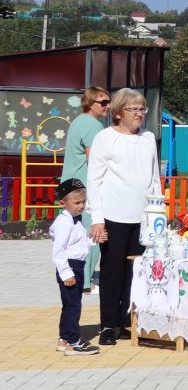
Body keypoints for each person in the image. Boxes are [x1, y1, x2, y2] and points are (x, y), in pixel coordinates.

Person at [86, 89, 161, 347]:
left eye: (142, 109)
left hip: (142, 218)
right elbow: (94, 181)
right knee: (112, 271)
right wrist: (97, 218)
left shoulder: (149, 138)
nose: (140, 114)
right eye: (134, 109)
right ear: (119, 113)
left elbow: (154, 178)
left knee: (136, 272)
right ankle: (109, 324)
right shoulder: (105, 138)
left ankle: (130, 321)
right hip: (113, 216)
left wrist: (157, 213)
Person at [60, 85, 110, 292]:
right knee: (94, 232)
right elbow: (94, 159)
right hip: (85, 186)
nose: (107, 106)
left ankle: (81, 278)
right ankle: (86, 282)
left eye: (109, 102)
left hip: (71, 184)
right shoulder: (93, 126)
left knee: (77, 234)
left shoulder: (78, 121)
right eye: (103, 102)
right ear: (90, 103)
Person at [50, 179, 98, 355]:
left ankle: (64, 339)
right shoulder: (64, 223)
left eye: (83, 202)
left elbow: (79, 243)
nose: (81, 206)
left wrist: (94, 239)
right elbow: (59, 251)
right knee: (73, 306)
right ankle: (73, 341)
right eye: (77, 202)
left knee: (71, 304)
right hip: (69, 267)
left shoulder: (76, 220)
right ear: (62, 203)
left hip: (77, 265)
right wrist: (66, 273)